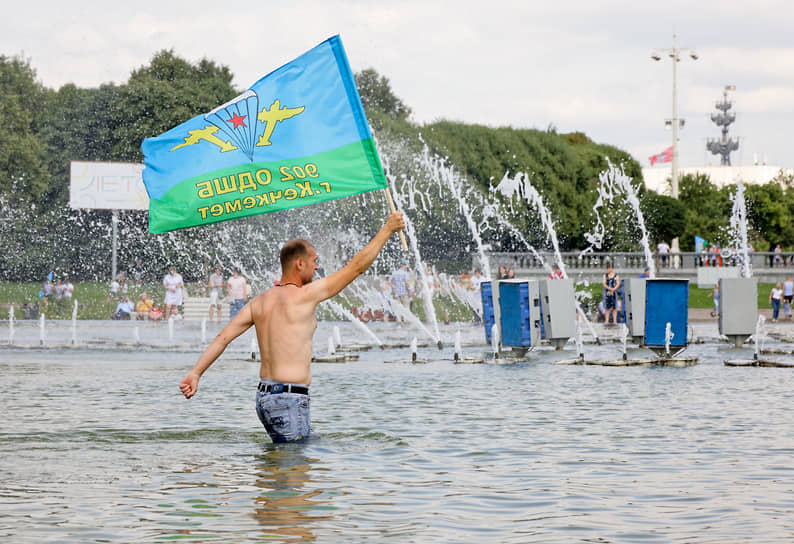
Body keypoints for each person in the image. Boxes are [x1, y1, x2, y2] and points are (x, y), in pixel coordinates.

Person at [179, 212, 405, 443]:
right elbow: (356, 268)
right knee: (294, 470)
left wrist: (196, 373)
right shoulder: (305, 296)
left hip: (264, 398)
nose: (317, 268)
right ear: (300, 263)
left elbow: (221, 338)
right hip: (288, 398)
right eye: (315, 261)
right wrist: (387, 229)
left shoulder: (259, 301)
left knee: (292, 462)